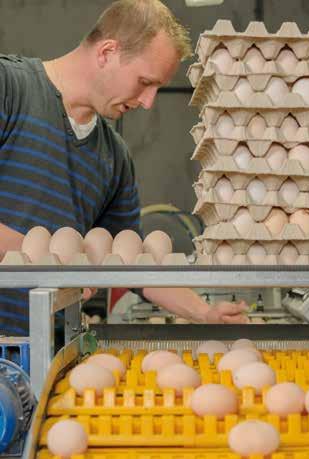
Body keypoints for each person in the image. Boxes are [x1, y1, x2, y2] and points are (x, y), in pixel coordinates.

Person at [0, 0, 248, 336]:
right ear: (106, 52)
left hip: (44, 351)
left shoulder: (113, 156)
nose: (148, 102)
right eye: (145, 82)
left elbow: (132, 262)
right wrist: (53, 259)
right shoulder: (9, 90)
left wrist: (205, 313)